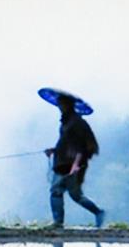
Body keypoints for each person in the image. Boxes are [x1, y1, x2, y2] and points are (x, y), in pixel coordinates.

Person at [42, 91, 105, 228]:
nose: (60, 106)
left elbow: (83, 146)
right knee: (62, 192)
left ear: (68, 105)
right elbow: (65, 143)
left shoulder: (78, 123)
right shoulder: (66, 122)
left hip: (73, 164)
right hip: (62, 161)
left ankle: (97, 212)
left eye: (62, 104)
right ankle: (59, 222)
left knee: (70, 194)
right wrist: (54, 150)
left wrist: (76, 164)